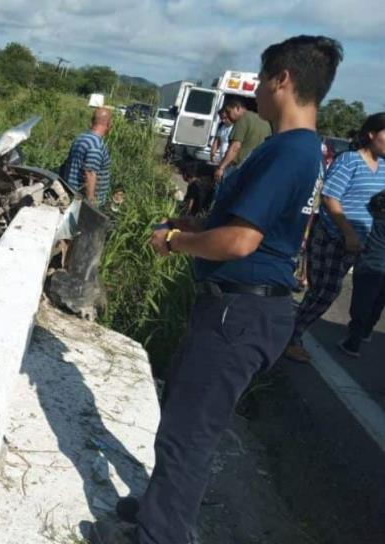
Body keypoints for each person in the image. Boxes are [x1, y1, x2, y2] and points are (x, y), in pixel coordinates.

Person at [89, 35, 343, 544]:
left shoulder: (289, 151)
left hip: (239, 315)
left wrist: (177, 241)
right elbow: (245, 222)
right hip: (242, 313)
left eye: (262, 78)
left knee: (189, 434)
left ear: (282, 79)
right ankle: (159, 508)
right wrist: (188, 221)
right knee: (183, 421)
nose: (256, 92)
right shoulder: (297, 149)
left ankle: (159, 535)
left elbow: (242, 241)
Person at [283, 112, 385, 363]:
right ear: (371, 134)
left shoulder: (383, 167)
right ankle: (289, 337)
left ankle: (289, 333)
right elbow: (330, 197)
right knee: (325, 291)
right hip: (332, 236)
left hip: (359, 242)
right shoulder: (349, 160)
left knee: (323, 292)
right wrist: (348, 232)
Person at [339, 189, 385, 356]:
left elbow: (372, 203)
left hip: (372, 258)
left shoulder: (377, 211)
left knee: (363, 299)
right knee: (379, 300)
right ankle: (366, 331)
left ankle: (353, 340)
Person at [213, 95, 272, 184]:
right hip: (257, 166)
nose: (228, 116)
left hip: (239, 166)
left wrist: (221, 168)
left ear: (237, 108)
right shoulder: (263, 120)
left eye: (229, 112)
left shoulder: (242, 119)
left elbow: (235, 147)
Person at [60, 108, 113, 207]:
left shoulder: (80, 138)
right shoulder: (96, 145)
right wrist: (90, 203)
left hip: (71, 193)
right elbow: (90, 173)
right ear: (109, 124)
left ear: (92, 121)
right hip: (82, 201)